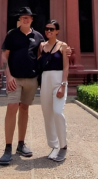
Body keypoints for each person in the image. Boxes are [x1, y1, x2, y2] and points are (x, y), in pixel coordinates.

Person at [0, 7, 43, 166]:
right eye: (23, 17)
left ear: (32, 19)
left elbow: (42, 56)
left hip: (31, 79)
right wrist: (8, 75)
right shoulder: (12, 35)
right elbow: (4, 55)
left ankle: (21, 144)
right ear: (19, 19)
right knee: (12, 107)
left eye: (28, 17)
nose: (25, 20)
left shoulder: (38, 36)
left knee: (25, 109)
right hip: (14, 78)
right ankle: (7, 148)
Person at [38, 19, 68, 162]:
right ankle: (54, 145)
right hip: (45, 80)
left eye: (51, 29)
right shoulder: (42, 46)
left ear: (57, 31)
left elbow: (66, 67)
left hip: (58, 81)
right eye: (46, 29)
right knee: (47, 113)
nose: (48, 31)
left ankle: (63, 146)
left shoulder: (63, 46)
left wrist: (63, 84)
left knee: (57, 112)